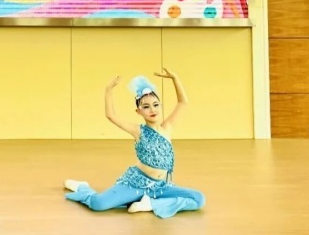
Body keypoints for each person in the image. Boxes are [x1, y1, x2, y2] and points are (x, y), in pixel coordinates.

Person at [64, 68, 205, 219]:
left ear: (161, 106)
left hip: (160, 187)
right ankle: (83, 187)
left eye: (155, 104)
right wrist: (108, 90)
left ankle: (150, 204)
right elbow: (111, 115)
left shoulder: (167, 128)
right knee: (98, 204)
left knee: (198, 199)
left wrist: (174, 78)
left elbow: (183, 102)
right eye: (146, 107)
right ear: (138, 111)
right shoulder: (138, 131)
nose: (152, 109)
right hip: (137, 184)